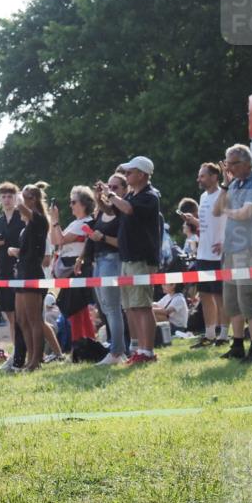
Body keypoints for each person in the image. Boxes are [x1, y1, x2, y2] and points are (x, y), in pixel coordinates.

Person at [98, 156, 161, 364]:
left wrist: (111, 194)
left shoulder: (149, 196)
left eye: (129, 172)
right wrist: (101, 198)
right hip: (128, 258)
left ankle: (148, 352)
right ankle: (138, 350)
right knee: (131, 307)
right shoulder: (134, 195)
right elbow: (113, 211)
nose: (126, 176)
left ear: (141, 174)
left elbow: (127, 209)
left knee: (143, 306)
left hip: (141, 258)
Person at [214, 144, 252, 364]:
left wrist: (227, 210)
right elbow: (215, 210)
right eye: (227, 163)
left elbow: (246, 213)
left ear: (247, 163)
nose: (228, 167)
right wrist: (225, 187)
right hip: (232, 249)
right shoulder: (234, 184)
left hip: (251, 249)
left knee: (247, 299)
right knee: (231, 302)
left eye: (232, 164)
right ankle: (237, 345)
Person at [182, 163, 229, 348]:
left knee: (219, 296)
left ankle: (224, 334)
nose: (198, 179)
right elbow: (208, 223)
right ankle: (209, 335)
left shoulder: (223, 194)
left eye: (202, 176)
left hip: (218, 255)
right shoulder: (202, 196)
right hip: (202, 253)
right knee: (205, 295)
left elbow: (230, 220)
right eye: (199, 175)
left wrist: (225, 242)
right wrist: (194, 221)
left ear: (213, 177)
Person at [83, 173, 128, 364]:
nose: (111, 190)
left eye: (115, 188)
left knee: (113, 308)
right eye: (109, 186)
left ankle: (117, 352)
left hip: (113, 260)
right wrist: (97, 196)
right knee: (105, 308)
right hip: (99, 261)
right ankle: (115, 348)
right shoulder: (102, 212)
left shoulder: (123, 213)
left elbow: (123, 243)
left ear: (124, 190)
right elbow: (104, 208)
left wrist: (102, 238)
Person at [50, 186, 97, 347]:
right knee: (77, 309)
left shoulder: (86, 222)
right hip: (70, 268)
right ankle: (86, 342)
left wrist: (55, 220)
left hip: (77, 267)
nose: (70, 205)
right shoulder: (75, 223)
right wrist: (53, 221)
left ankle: (81, 344)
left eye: (73, 202)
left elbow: (60, 240)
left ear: (84, 203)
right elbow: (55, 240)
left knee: (76, 309)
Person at [0, 182, 28, 371]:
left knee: (22, 317)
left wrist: (18, 251)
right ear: (0, 199)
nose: (7, 199)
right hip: (1, 272)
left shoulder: (23, 220)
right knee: (10, 317)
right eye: (3, 196)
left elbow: (30, 248)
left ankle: (24, 353)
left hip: (20, 272)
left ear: (16, 198)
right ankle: (16, 354)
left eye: (10, 196)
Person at [13, 184, 50, 371]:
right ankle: (30, 357)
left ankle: (37, 359)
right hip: (22, 273)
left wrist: (18, 200)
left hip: (32, 273)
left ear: (33, 199)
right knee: (21, 319)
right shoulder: (27, 225)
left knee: (34, 319)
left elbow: (21, 208)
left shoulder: (40, 220)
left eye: (25, 197)